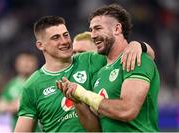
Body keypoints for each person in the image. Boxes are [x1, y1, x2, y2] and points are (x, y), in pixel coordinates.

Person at [14, 16, 155, 132]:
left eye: (66, 35)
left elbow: (144, 55)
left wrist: (138, 45)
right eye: (56, 37)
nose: (64, 41)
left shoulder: (90, 60)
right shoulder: (32, 85)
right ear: (40, 45)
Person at [57, 4, 160, 132]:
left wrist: (84, 94)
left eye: (98, 28)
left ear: (117, 29)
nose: (93, 35)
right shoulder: (101, 73)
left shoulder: (136, 59)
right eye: (91, 30)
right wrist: (77, 101)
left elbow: (127, 110)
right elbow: (96, 130)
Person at [0, 52, 38, 131]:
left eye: (29, 61)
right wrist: (13, 106)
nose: (26, 64)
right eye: (23, 61)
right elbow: (1, 105)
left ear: (35, 63)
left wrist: (18, 104)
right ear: (17, 64)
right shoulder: (11, 85)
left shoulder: (40, 83)